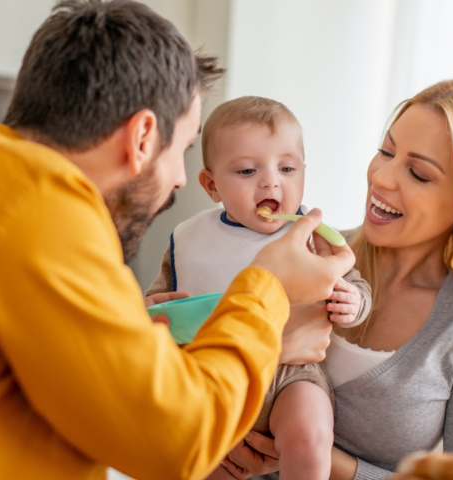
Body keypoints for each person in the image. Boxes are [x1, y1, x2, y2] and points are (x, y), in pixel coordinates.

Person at [0, 2, 355, 480]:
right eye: (182, 149)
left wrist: (139, 325)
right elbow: (175, 440)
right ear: (142, 137)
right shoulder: (41, 207)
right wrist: (269, 295)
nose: (179, 179)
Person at [219, 79, 453, 480]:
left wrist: (322, 460)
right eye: (385, 151)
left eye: (419, 174)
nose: (382, 177)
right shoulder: (302, 253)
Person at [145, 96, 372, 480]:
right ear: (211, 184)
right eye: (248, 171)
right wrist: (147, 311)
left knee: (311, 438)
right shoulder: (188, 238)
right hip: (212, 375)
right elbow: (157, 304)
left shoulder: (311, 236)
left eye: (287, 168)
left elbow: (351, 282)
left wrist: (354, 302)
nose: (271, 181)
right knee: (202, 461)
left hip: (292, 376)